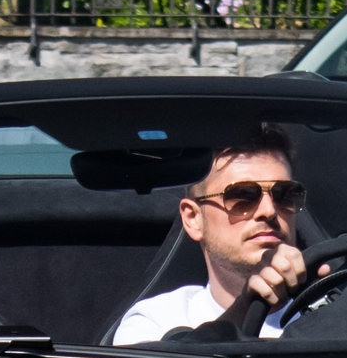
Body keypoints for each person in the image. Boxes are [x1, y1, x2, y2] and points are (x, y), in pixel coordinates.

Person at [113, 126, 320, 345]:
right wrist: (245, 307)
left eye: (284, 195)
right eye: (242, 196)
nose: (269, 211)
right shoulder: (155, 322)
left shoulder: (333, 312)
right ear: (193, 219)